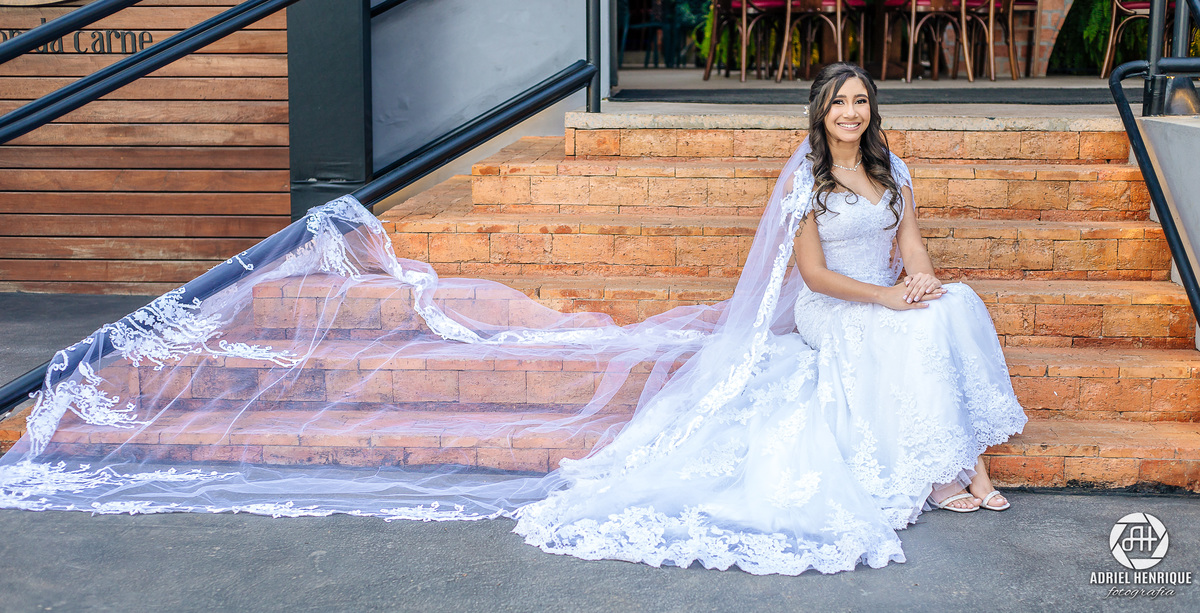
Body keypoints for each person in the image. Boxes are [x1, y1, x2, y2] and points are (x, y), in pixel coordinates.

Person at [0, 63, 1025, 576]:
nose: (851, 114)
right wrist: (888, 299)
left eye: (860, 103)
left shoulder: (892, 168)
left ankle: (961, 466)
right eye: (839, 104)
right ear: (820, 114)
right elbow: (813, 278)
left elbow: (913, 249)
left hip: (885, 298)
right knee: (904, 325)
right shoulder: (807, 180)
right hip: (833, 309)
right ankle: (953, 475)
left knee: (953, 307)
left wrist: (921, 284)